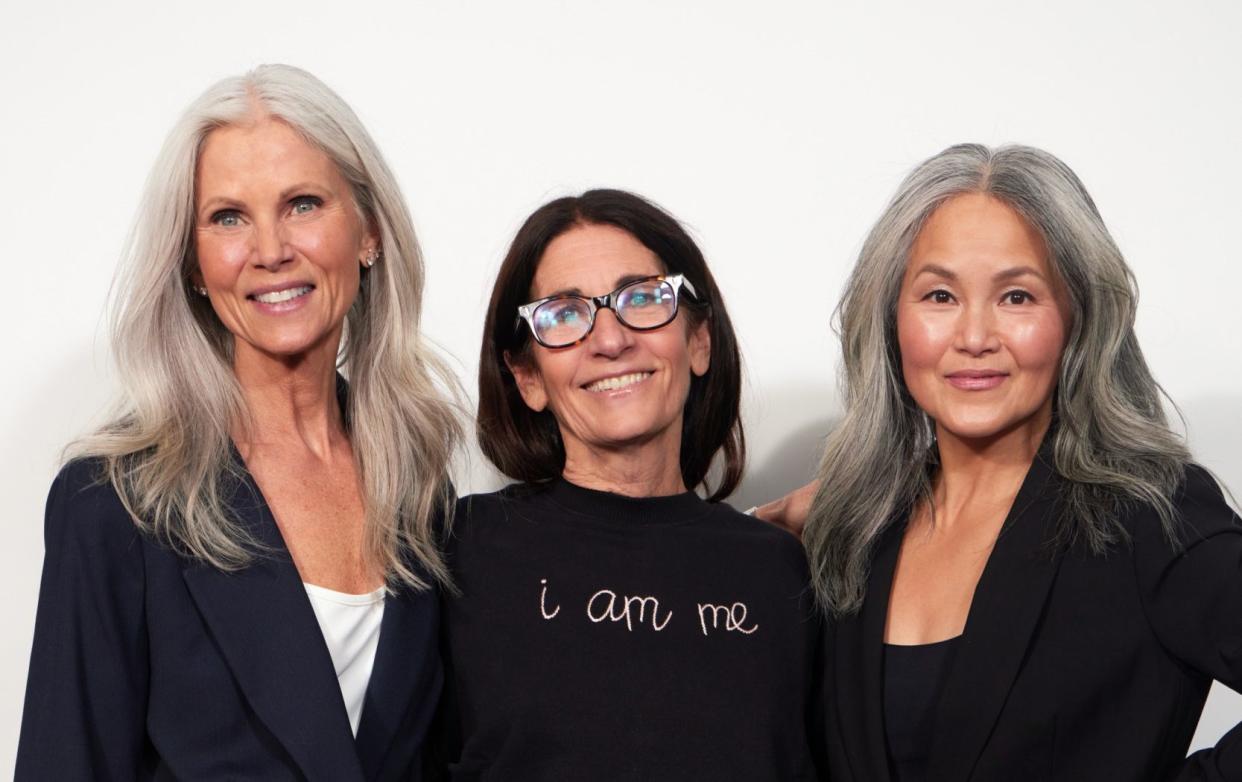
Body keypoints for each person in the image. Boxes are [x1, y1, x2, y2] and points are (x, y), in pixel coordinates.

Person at [16, 64, 461, 780]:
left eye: (304, 204)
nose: (270, 249)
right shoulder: (113, 504)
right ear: (193, 263)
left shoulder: (418, 484)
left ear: (369, 232)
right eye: (228, 217)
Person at [786, 143, 1242, 780]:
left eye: (1018, 298)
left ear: (1077, 317)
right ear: (890, 319)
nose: (974, 337)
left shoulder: (1151, 514)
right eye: (939, 296)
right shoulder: (854, 528)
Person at [439, 189, 823, 780]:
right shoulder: (459, 548)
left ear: (698, 342)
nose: (611, 339)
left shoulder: (780, 570)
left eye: (642, 298)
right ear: (527, 377)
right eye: (565, 314)